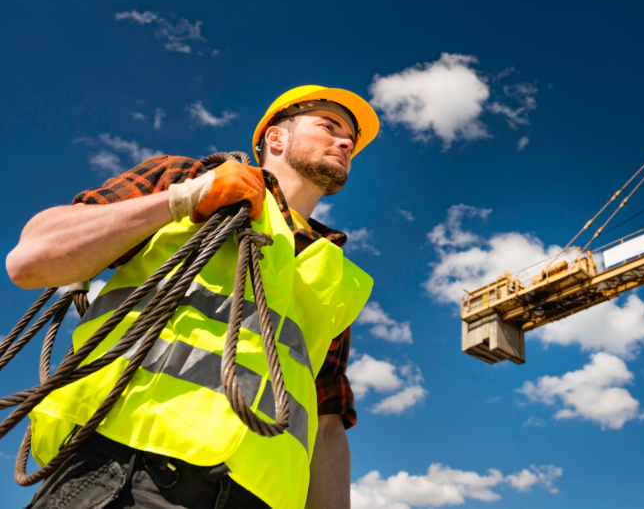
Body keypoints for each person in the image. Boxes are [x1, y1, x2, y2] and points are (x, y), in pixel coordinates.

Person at [5, 85, 380, 509]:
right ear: (275, 137)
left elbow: (327, 429)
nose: (346, 142)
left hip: (259, 498)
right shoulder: (189, 180)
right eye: (329, 126)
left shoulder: (333, 273)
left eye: (350, 138)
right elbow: (32, 259)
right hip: (124, 470)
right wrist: (185, 199)